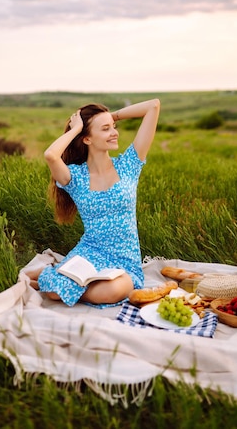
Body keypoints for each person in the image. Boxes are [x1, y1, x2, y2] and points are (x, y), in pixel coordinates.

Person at [29, 99, 176, 307]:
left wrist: (110, 117)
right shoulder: (76, 177)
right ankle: (58, 281)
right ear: (87, 139)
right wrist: (77, 128)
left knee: (118, 288)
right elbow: (51, 155)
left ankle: (59, 282)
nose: (114, 132)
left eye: (114, 128)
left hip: (125, 261)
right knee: (54, 293)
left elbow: (154, 106)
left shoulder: (129, 164)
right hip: (89, 253)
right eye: (106, 129)